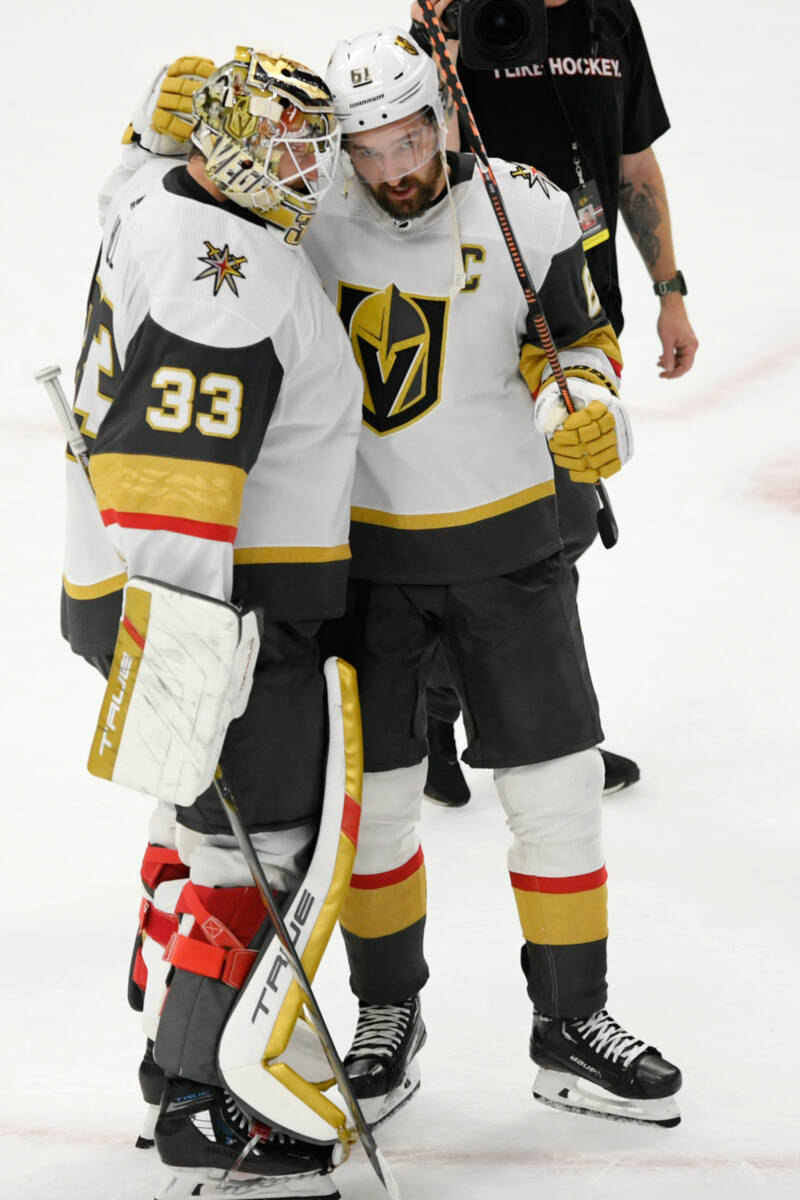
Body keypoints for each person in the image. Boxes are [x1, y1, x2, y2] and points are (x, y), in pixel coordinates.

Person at [305, 27, 681, 1131]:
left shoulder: (524, 202)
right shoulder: (304, 218)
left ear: (446, 114)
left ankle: (569, 1026)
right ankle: (386, 1013)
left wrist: (591, 403)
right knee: (373, 815)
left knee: (557, 799)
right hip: (366, 568)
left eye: (410, 137)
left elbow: (577, 338)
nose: (392, 168)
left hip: (512, 554)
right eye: (364, 149)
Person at [60, 49, 365, 1200]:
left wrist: (145, 130)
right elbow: (171, 476)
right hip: (217, 607)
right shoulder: (224, 276)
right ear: (226, 138)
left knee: (199, 816)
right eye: (287, 144)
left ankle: (169, 1025)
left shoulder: (153, 195)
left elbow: (123, 176)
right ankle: (199, 1099)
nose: (311, 169)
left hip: (121, 578)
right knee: (259, 846)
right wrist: (188, 662)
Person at [410, 0, 699, 806]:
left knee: (561, 532)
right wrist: (441, 50)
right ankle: (463, 728)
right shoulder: (462, 14)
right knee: (478, 535)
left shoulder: (610, 17)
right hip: (476, 318)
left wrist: (669, 291)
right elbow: (425, 168)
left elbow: (635, 166)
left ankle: (518, 727)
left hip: (578, 321)